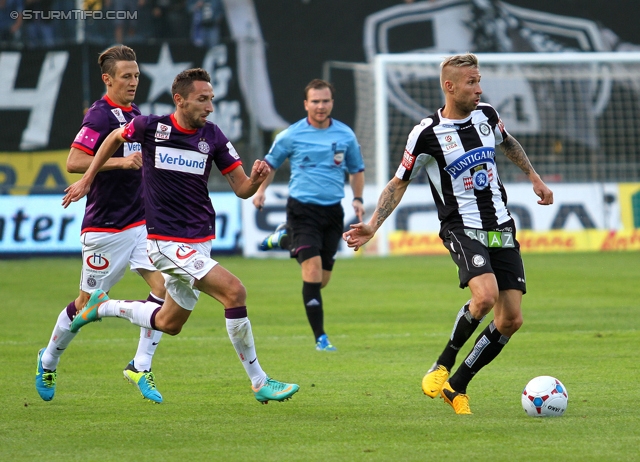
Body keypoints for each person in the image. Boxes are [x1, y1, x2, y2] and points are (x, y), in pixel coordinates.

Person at [62, 68, 300, 404]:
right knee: (235, 291)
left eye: (211, 99)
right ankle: (260, 382)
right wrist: (88, 179)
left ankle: (103, 307)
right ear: (180, 100)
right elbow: (115, 138)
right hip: (165, 243)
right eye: (202, 100)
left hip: (199, 239)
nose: (210, 107)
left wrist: (258, 179)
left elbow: (242, 189)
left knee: (169, 322)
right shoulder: (151, 127)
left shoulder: (214, 138)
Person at [343, 53, 553, 414]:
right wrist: (373, 224)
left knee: (511, 320)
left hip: (500, 225)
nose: (479, 88)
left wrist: (534, 177)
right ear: (449, 87)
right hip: (461, 227)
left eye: (479, 80)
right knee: (484, 296)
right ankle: (442, 364)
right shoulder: (426, 133)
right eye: (471, 82)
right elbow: (399, 182)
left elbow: (508, 142)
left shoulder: (487, 115)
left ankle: (457, 386)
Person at [35, 45, 168, 404]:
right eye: (126, 76)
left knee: (165, 288)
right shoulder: (99, 115)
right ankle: (48, 360)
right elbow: (75, 161)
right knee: (85, 305)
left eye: (137, 75)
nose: (133, 82)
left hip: (139, 222)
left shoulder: (133, 112)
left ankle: (140, 364)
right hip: (106, 227)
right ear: (107, 79)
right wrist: (119, 165)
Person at [252, 79, 365, 352]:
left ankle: (283, 238)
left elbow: (356, 169)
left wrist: (358, 199)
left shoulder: (345, 135)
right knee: (312, 272)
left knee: (321, 281)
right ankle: (321, 338)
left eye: (325, 101)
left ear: (332, 103)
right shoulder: (291, 135)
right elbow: (270, 164)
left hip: (332, 213)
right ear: (306, 104)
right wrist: (260, 191)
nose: (321, 106)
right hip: (302, 210)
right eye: (315, 101)